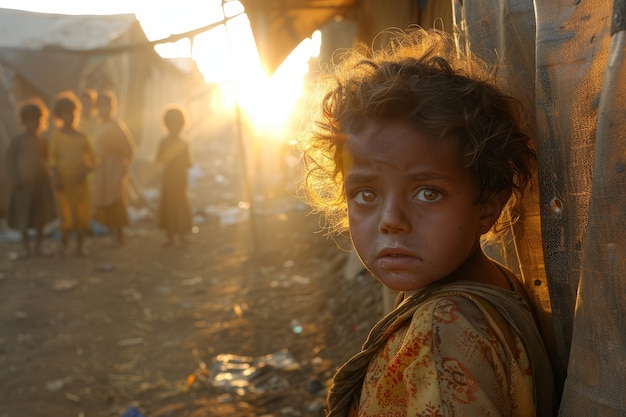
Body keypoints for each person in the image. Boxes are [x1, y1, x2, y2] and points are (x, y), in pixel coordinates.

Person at [300, 28, 555, 416]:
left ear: (488, 205)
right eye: (366, 194)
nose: (392, 222)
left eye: (427, 193)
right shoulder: (492, 285)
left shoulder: (442, 333)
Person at [5, 98, 57, 258]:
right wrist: (16, 177)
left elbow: (49, 161)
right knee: (23, 217)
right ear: (23, 122)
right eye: (29, 121)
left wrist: (50, 176)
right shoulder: (17, 141)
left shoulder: (43, 142)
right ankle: (26, 249)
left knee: (40, 217)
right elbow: (10, 161)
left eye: (36, 120)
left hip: (40, 185)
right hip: (22, 186)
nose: (33, 124)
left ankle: (38, 248)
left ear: (42, 121)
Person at [49, 91, 97, 256]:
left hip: (80, 182)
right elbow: (52, 159)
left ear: (76, 113)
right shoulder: (57, 136)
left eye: (70, 113)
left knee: (81, 214)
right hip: (63, 182)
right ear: (59, 116)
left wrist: (85, 172)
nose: (68, 116)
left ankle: (80, 247)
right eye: (64, 114)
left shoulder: (83, 136)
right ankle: (63, 245)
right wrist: (55, 178)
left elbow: (93, 159)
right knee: (66, 214)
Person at [92, 89, 135, 245]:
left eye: (106, 105)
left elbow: (129, 149)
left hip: (114, 167)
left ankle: (119, 233)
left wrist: (121, 167)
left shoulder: (116, 125)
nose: (104, 109)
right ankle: (111, 231)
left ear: (112, 107)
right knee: (104, 198)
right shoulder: (99, 125)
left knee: (115, 198)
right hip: (103, 168)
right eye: (101, 105)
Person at [155, 104, 193, 245]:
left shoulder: (164, 142)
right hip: (177, 177)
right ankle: (179, 234)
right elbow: (188, 163)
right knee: (179, 204)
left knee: (171, 204)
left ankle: (173, 235)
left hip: (171, 177)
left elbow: (159, 159)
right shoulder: (183, 143)